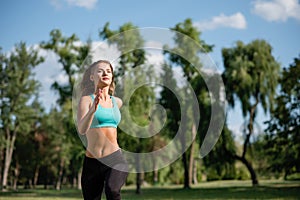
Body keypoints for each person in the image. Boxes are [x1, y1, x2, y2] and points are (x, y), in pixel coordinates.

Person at [77, 60, 128, 200]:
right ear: (92, 77)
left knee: (112, 190)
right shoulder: (86, 100)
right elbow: (82, 129)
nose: (105, 73)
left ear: (112, 77)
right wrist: (92, 110)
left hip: (115, 159)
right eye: (100, 70)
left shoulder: (117, 102)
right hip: (92, 162)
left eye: (109, 71)